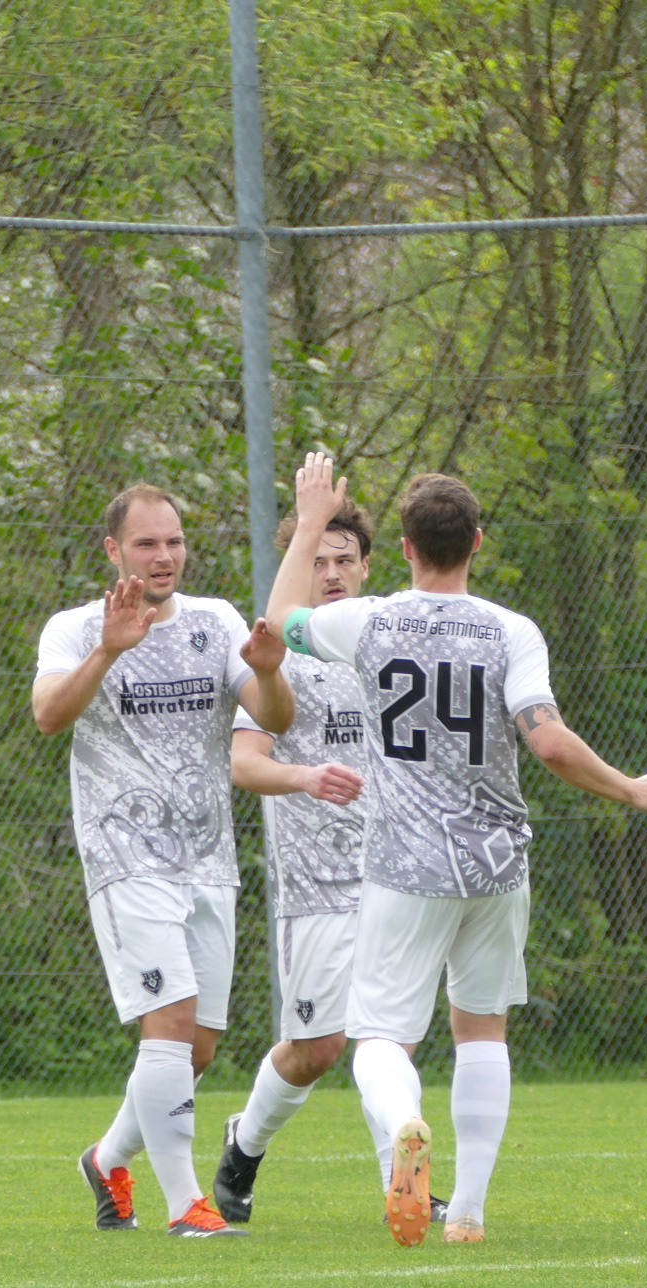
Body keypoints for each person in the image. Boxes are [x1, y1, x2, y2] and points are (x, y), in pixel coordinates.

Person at [264, 454, 647, 1246]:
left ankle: (405, 1124)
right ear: (477, 543)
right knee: (482, 1030)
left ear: (406, 549)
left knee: (379, 1038)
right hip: (496, 864)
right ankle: (470, 1214)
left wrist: (312, 521)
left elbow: (279, 617)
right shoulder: (510, 630)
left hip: (404, 867)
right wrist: (629, 788)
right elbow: (548, 742)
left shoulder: (369, 621)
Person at [33, 484, 295, 1237]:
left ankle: (107, 1158)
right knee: (171, 1021)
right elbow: (49, 715)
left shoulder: (215, 622)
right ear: (113, 550)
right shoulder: (76, 628)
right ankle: (187, 1205)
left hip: (208, 858)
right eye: (147, 543)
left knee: (198, 1046)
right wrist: (109, 650)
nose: (164, 556)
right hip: (126, 856)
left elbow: (276, 718)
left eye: (174, 541)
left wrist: (269, 672)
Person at [210, 499, 436, 1230]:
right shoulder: (278, 656)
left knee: (386, 1038)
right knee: (318, 1049)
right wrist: (306, 777)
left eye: (345, 560)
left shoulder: (393, 643)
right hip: (316, 882)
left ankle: (401, 1185)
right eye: (317, 561)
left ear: (369, 566)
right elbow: (245, 763)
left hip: (399, 873)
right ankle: (245, 1142)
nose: (332, 573)